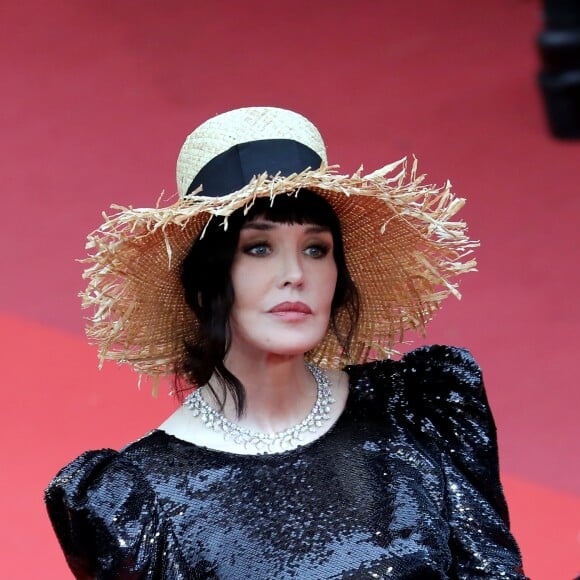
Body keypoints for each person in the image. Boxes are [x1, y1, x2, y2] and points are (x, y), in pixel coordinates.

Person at [45, 107, 526, 579]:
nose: (295, 275)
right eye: (259, 248)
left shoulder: (417, 410)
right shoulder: (138, 497)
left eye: (316, 249)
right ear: (206, 281)